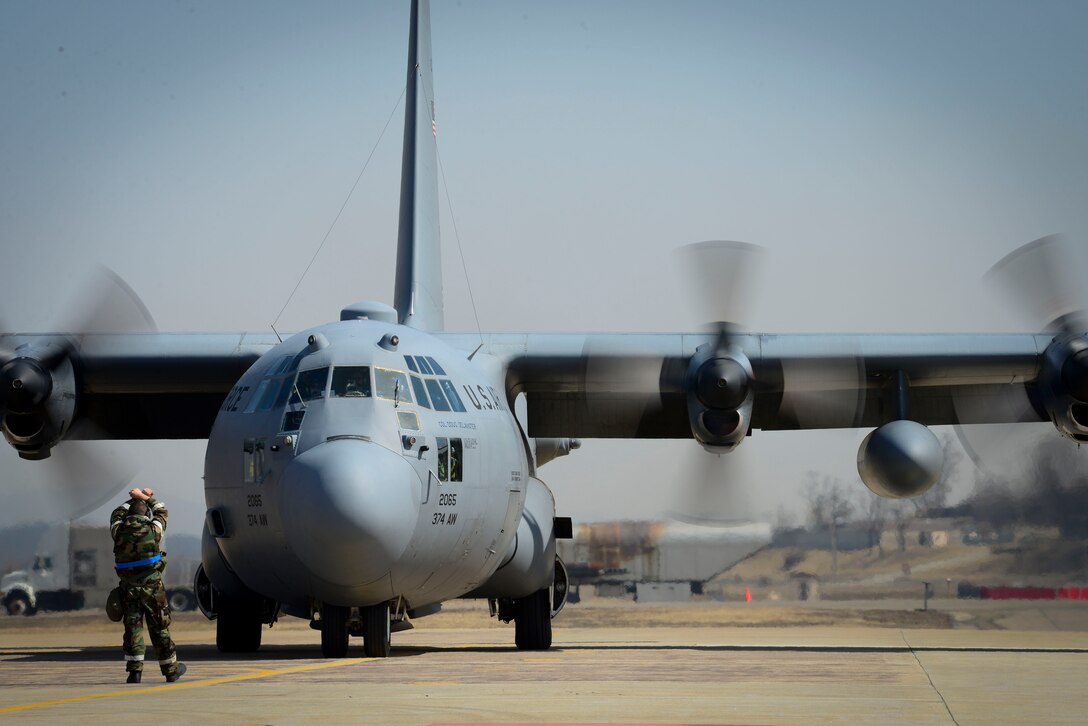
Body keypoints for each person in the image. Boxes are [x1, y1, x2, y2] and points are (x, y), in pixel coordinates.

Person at [110, 487, 186, 684]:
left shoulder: (118, 531)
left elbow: (116, 514)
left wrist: (132, 499)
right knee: (160, 627)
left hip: (128, 589)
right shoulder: (153, 530)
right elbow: (162, 510)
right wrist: (145, 497)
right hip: (152, 588)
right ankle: (171, 671)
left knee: (133, 629)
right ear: (146, 514)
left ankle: (135, 672)